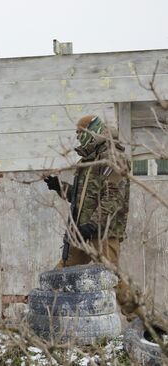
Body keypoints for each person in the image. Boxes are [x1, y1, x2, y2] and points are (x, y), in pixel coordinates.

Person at [44, 115, 139, 320]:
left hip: (103, 231)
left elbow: (113, 197)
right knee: (64, 271)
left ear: (90, 132)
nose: (77, 137)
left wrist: (93, 225)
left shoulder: (112, 157)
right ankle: (47, 315)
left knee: (110, 276)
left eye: (80, 133)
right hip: (82, 229)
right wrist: (59, 187)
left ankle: (142, 319)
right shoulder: (88, 160)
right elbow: (82, 198)